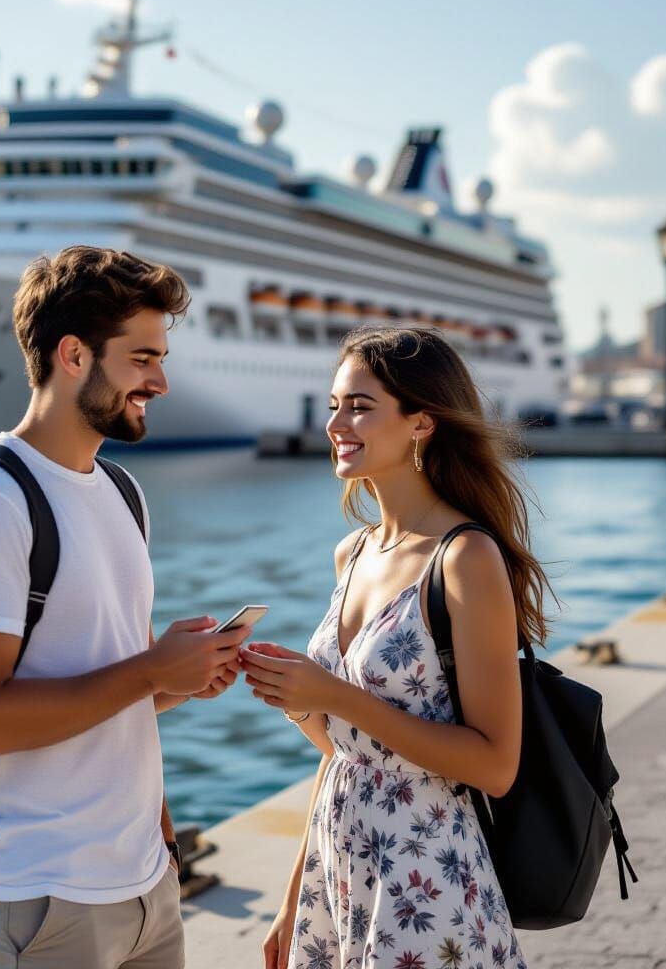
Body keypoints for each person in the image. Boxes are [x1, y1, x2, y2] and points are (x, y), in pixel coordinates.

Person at [0, 246, 249, 969]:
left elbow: (102, 692)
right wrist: (148, 672)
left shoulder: (122, 494)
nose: (160, 380)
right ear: (73, 355)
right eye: (141, 358)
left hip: (145, 885)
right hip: (39, 898)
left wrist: (173, 681)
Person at [243, 326, 554, 969]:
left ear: (422, 422)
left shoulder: (465, 557)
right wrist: (297, 698)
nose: (336, 423)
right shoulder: (352, 552)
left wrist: (331, 693)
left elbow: (495, 764)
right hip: (340, 869)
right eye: (333, 404)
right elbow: (346, 755)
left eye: (359, 406)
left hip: (424, 877)